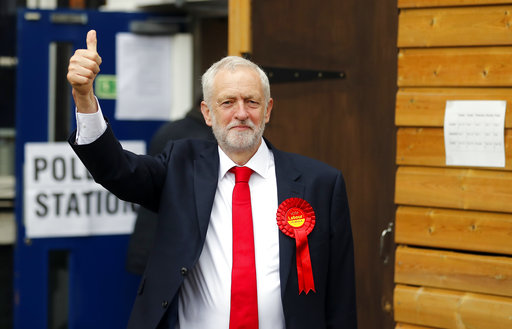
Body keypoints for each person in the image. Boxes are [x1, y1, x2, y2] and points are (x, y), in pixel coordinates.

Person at [67, 30, 357, 329]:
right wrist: (84, 98)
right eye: (228, 102)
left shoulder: (321, 183)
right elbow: (117, 170)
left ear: (268, 110)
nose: (241, 113)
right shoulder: (180, 166)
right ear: (208, 113)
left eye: (252, 102)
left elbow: (341, 297)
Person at [126, 102, 215, 275]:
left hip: (150, 238)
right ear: (206, 107)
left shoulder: (168, 129)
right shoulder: (207, 141)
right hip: (176, 247)